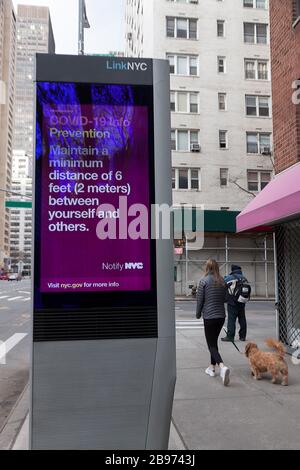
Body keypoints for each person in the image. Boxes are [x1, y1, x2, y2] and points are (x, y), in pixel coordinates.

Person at [196, 259, 230, 386]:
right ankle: (211, 368)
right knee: (214, 342)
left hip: (209, 316)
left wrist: (198, 314)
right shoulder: (223, 281)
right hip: (221, 316)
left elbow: (200, 300)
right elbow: (226, 299)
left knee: (210, 344)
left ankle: (222, 366)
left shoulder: (203, 281)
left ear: (207, 267)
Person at [222, 265, 247, 343]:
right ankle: (242, 336)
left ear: (232, 270)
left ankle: (230, 336)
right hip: (242, 301)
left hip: (232, 302)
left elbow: (223, 284)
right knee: (242, 318)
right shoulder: (244, 278)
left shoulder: (230, 277)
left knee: (231, 320)